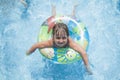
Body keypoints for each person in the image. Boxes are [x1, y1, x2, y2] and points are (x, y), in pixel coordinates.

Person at [26, 5, 92, 75]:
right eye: (58, 38)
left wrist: (87, 68)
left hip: (67, 26)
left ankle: (74, 7)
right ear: (53, 37)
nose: (61, 41)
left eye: (64, 38)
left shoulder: (70, 43)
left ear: (67, 37)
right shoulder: (51, 42)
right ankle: (53, 7)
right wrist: (28, 53)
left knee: (72, 17)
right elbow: (35, 46)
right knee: (54, 18)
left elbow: (83, 53)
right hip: (55, 27)